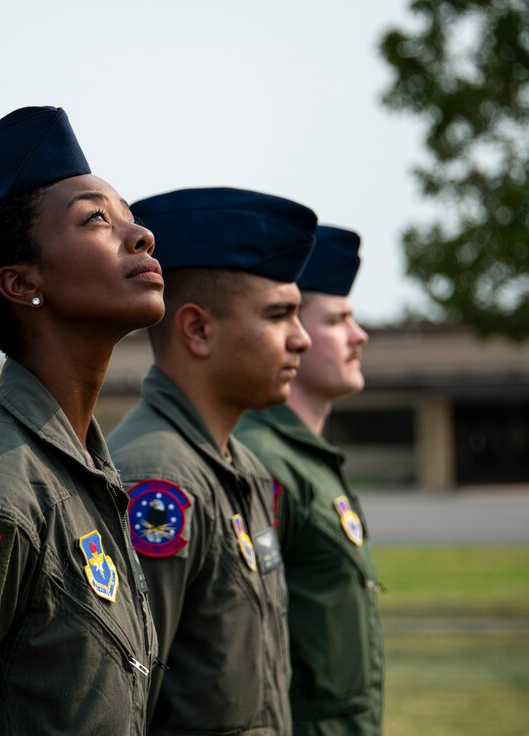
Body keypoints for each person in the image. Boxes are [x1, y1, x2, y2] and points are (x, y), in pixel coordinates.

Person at [0, 105, 163, 735]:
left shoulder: (84, 476)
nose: (140, 236)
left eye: (130, 218)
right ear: (23, 282)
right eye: (97, 221)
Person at [107, 187, 317, 735]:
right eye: (279, 316)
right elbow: (127, 699)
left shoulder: (237, 466)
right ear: (197, 329)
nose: (302, 341)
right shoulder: (158, 479)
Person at [235, 225, 383, 736]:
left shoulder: (305, 456)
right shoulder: (265, 459)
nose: (358, 335)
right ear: (292, 330)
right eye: (339, 319)